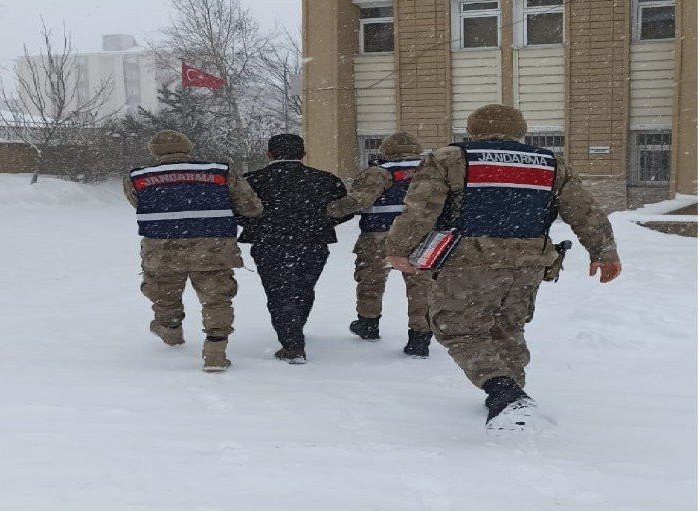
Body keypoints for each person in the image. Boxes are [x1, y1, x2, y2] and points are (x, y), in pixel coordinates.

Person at [384, 104, 622, 430]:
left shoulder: (450, 158)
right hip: (530, 262)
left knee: (457, 327)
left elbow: (421, 209)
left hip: (470, 261)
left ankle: (504, 393)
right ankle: (514, 394)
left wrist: (399, 249)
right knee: (508, 326)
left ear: (472, 129)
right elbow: (585, 210)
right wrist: (604, 251)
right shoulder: (550, 162)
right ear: (520, 130)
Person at [124, 129, 262, 373]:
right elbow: (251, 207)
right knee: (217, 299)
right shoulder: (220, 172)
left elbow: (139, 203)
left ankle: (170, 330)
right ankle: (215, 352)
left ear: (154, 152)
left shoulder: (137, 177)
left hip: (162, 250)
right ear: (188, 147)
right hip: (213, 248)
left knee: (164, 294)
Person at [238, 133, 349, 364]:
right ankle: (295, 326)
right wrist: (321, 223)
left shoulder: (251, 181)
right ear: (303, 154)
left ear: (268, 154)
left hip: (269, 244)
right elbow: (345, 209)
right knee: (303, 287)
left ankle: (292, 343)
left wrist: (258, 225)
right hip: (313, 243)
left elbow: (238, 210)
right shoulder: (325, 180)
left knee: (279, 291)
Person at [326, 131, 433, 357]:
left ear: (387, 150)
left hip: (379, 234)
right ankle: (420, 337)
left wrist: (328, 210)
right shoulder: (432, 170)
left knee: (371, 280)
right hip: (422, 235)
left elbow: (359, 201)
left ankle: (368, 323)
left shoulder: (379, 172)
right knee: (421, 286)